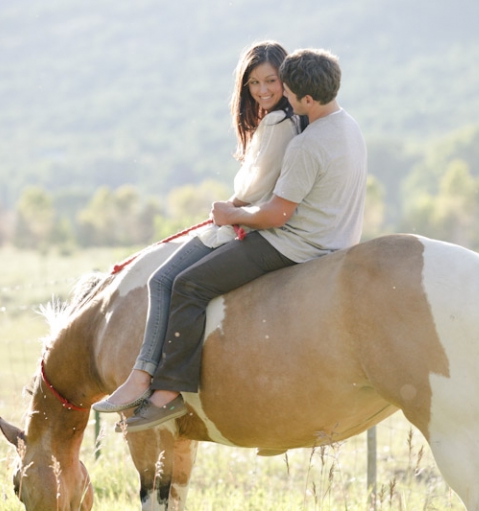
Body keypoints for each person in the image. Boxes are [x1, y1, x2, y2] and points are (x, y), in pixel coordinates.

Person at [103, 48, 367, 433]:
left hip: (294, 244)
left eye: (288, 92)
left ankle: (168, 393)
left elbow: (277, 215)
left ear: (307, 98)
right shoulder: (349, 126)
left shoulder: (305, 145)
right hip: (336, 237)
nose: (285, 101)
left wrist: (232, 215)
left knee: (187, 284)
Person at [92, 41, 305, 414]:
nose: (263, 90)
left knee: (165, 281)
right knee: (165, 280)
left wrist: (230, 206)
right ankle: (146, 377)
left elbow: (255, 188)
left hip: (248, 225)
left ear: (284, 79)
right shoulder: (279, 121)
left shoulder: (277, 124)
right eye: (254, 83)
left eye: (270, 80)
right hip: (243, 219)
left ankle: (149, 378)